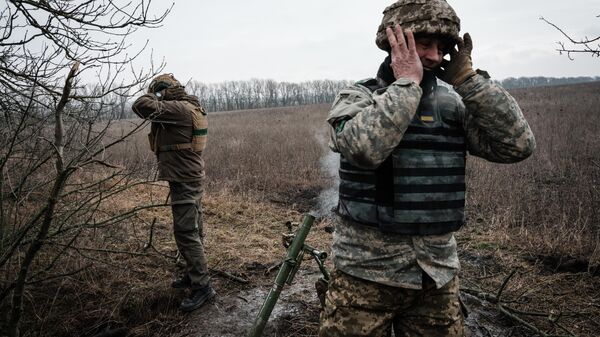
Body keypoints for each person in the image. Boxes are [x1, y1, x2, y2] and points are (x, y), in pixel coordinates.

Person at [320, 0, 536, 336]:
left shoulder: (453, 104)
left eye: (442, 48)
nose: (435, 56)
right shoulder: (358, 96)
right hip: (364, 275)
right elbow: (363, 148)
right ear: (397, 44)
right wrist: (407, 85)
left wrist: (469, 82)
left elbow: (516, 145)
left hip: (436, 276)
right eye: (423, 45)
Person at [132, 74, 214, 312]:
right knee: (194, 229)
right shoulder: (188, 106)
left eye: (158, 92)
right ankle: (193, 275)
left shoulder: (178, 109)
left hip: (185, 179)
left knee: (186, 232)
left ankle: (202, 286)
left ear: (164, 92)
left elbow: (140, 105)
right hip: (188, 176)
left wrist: (153, 95)